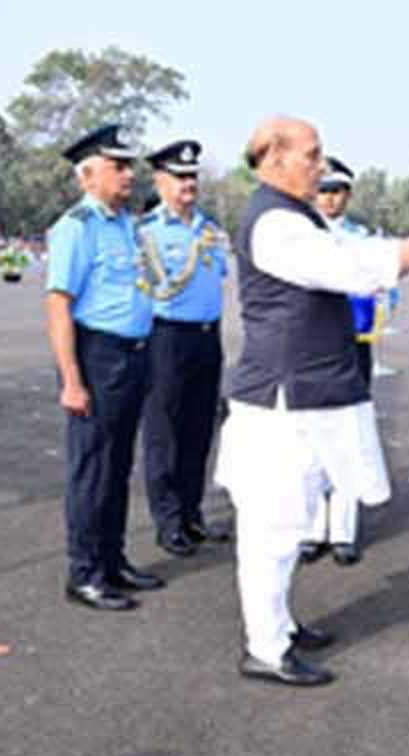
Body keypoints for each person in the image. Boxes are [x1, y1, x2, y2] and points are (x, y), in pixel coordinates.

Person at [215, 115, 409, 687]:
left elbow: (358, 250)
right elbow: (350, 269)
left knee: (294, 515)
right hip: (283, 400)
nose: (320, 164)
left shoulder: (296, 216)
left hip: (307, 395)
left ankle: (280, 626)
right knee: (274, 528)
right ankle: (265, 646)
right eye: (311, 154)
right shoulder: (274, 224)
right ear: (274, 158)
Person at [45, 124, 161, 612]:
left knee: (117, 466)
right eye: (118, 166)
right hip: (97, 356)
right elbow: (59, 304)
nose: (129, 174)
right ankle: (85, 572)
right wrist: (72, 379)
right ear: (88, 175)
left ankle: (112, 560)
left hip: (134, 353)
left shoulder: (125, 225)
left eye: (128, 165)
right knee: (91, 469)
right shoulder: (77, 226)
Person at [139, 139, 230, 558]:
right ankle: (169, 520)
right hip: (166, 338)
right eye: (179, 176)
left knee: (198, 430)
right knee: (165, 433)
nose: (188, 184)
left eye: (193, 176)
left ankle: (192, 514)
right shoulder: (148, 231)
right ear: (159, 181)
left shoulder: (209, 230)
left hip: (207, 337)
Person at [301, 154, 379, 566]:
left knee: (349, 434)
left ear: (347, 195)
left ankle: (344, 531)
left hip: (352, 343)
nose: (329, 200)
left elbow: (384, 288)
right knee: (312, 435)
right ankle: (313, 528)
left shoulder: (363, 238)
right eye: (323, 191)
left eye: (336, 192)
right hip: (312, 345)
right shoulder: (302, 235)